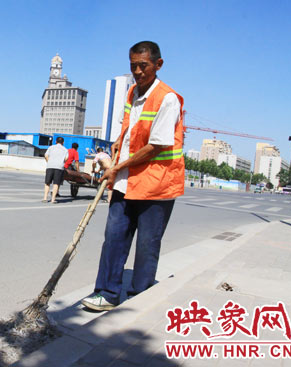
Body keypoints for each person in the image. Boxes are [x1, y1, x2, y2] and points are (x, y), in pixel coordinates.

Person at [82, 41, 184, 311]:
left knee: (147, 245)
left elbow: (157, 146)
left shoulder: (167, 98)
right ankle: (107, 293)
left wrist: (116, 167)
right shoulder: (131, 93)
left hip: (156, 184)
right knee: (114, 237)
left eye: (143, 65)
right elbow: (129, 129)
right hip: (126, 180)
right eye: (133, 66)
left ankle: (140, 297)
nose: (138, 71)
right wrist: (118, 142)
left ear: (158, 65)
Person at [43, 136, 68, 203]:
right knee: (56, 183)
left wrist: (49, 162)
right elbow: (66, 159)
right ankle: (53, 199)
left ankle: (45, 198)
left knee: (47, 183)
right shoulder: (65, 149)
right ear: (63, 143)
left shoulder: (51, 147)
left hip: (50, 166)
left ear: (56, 142)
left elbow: (46, 155)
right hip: (59, 167)